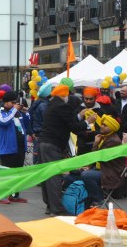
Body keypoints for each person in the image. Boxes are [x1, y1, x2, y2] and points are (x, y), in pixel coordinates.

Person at [38, 84, 97, 216]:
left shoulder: (52, 105)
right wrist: (88, 121)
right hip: (52, 145)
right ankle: (57, 209)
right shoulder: (62, 106)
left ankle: (50, 205)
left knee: (46, 176)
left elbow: (64, 122)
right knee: (54, 177)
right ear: (64, 95)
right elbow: (73, 127)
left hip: (44, 143)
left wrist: (79, 117)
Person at [0, 91, 28, 204]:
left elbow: (26, 125)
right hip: (7, 148)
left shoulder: (16, 113)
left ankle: (15, 195)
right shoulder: (0, 112)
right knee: (7, 173)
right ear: (6, 102)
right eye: (13, 102)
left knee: (17, 173)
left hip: (19, 147)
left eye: (16, 102)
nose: (15, 104)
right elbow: (4, 121)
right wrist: (14, 110)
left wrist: (25, 113)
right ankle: (2, 195)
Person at [79, 115, 125, 207]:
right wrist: (88, 166)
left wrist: (95, 143)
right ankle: (85, 204)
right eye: (102, 124)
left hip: (109, 173)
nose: (101, 126)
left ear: (111, 128)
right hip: (102, 168)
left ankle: (99, 199)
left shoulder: (113, 141)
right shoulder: (105, 137)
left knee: (86, 175)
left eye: (105, 125)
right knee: (73, 175)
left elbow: (97, 157)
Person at [75, 87, 104, 156]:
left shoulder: (101, 111)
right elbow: (74, 126)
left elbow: (105, 127)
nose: (88, 101)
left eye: (91, 99)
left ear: (95, 98)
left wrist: (93, 133)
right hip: (82, 143)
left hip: (96, 143)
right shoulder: (78, 109)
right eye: (86, 99)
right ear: (83, 98)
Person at [29, 82, 51, 164]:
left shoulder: (37, 103)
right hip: (42, 133)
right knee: (40, 156)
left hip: (36, 132)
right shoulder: (44, 105)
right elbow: (47, 120)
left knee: (36, 153)